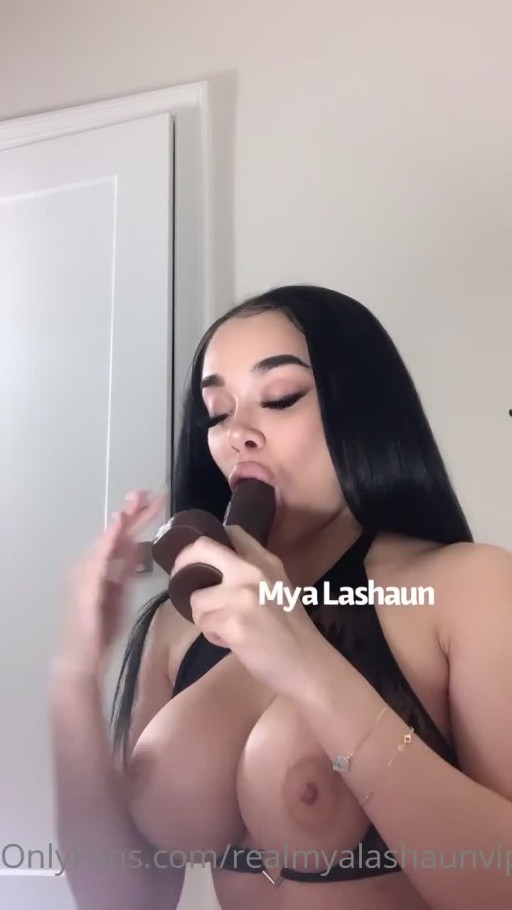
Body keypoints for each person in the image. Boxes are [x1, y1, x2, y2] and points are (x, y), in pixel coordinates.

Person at [49, 285, 512, 910]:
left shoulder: (467, 587)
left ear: (360, 410)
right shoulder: (179, 625)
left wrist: (302, 660)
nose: (236, 434)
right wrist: (74, 675)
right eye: (217, 412)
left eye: (279, 398)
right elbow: (122, 900)